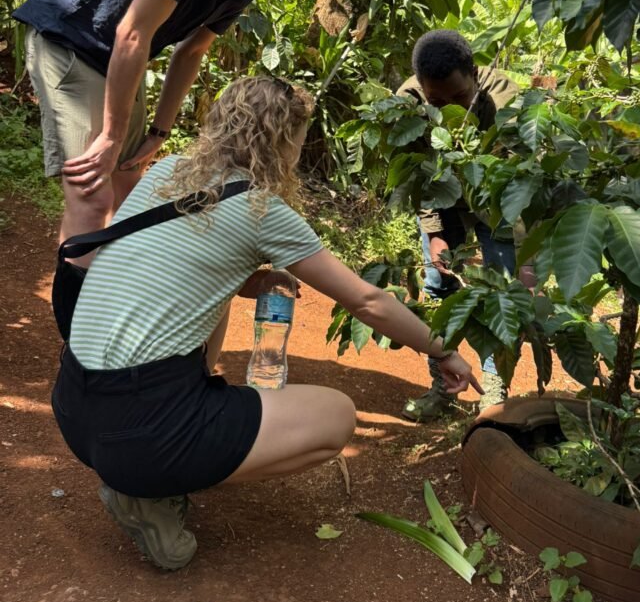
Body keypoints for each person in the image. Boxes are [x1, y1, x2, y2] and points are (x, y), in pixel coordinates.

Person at [51, 76, 482, 571]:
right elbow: (367, 302)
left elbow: (161, 265)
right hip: (144, 434)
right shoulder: (261, 209)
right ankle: (152, 493)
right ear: (286, 140)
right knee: (336, 417)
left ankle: (155, 465)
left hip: (75, 408)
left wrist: (246, 283)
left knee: (216, 311)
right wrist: (442, 350)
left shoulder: (165, 172)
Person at [13, 0, 349, 250]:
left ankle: (123, 300)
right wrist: (111, 136)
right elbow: (133, 31)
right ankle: (81, 306)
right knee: (93, 192)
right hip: (71, 37)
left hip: (118, 56)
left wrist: (158, 132)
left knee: (129, 192)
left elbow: (193, 51)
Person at [397, 29, 525, 422]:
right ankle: (444, 384)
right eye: (439, 102)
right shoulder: (408, 105)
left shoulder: (506, 100)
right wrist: (435, 233)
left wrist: (527, 256)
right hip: (442, 198)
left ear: (474, 73)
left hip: (497, 204)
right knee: (437, 286)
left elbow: (520, 182)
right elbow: (417, 178)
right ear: (422, 87)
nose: (452, 108)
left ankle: (493, 388)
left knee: (502, 294)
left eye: (460, 98)